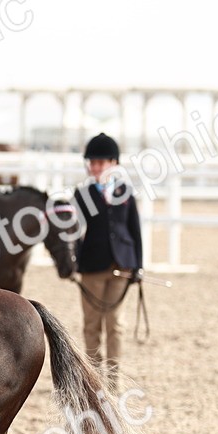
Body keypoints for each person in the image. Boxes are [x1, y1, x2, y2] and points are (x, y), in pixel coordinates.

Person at [72, 133, 142, 378]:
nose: (95, 167)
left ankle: (113, 379)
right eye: (92, 162)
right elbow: (74, 232)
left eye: (100, 162)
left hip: (121, 265)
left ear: (113, 164)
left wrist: (138, 266)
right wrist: (73, 262)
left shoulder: (125, 193)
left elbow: (135, 230)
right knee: (91, 325)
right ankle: (94, 376)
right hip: (92, 265)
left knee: (115, 324)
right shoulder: (82, 195)